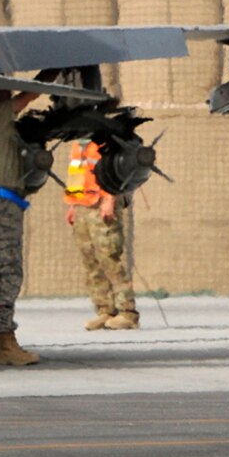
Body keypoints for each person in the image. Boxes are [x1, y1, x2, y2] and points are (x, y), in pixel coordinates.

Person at [0, 88, 43, 366]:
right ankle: (4, 342)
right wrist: (49, 77)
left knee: (1, 275)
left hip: (5, 205)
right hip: (3, 207)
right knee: (8, 275)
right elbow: (29, 96)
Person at [65, 139, 138, 330]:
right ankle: (105, 310)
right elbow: (76, 173)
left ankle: (127, 312)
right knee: (90, 261)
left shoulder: (106, 140)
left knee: (109, 257)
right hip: (83, 204)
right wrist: (73, 205)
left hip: (101, 203)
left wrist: (110, 198)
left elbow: (115, 172)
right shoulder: (78, 144)